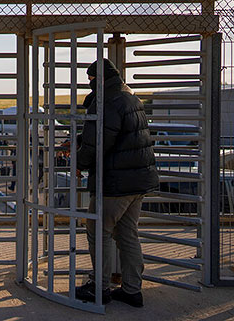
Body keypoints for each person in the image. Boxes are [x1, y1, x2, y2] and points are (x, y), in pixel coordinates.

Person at [75, 58, 158, 308]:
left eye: (90, 80)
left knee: (98, 232)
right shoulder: (130, 97)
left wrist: (79, 162)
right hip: (137, 181)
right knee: (127, 234)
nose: (89, 85)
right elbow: (118, 133)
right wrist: (81, 139)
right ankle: (132, 290)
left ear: (99, 80)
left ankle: (100, 287)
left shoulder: (106, 101)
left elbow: (98, 141)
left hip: (116, 182)